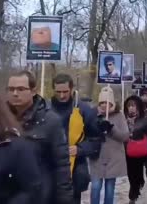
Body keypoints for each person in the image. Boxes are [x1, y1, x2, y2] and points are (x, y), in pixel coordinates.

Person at [6, 70, 73, 204]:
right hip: (7, 194)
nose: (15, 93)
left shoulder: (50, 121)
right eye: (11, 89)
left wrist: (64, 200)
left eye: (20, 89)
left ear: (33, 91)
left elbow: (61, 167)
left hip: (39, 196)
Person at [49, 73, 102, 204]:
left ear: (72, 89)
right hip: (49, 170)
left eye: (65, 92)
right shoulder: (45, 109)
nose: (61, 96)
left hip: (74, 172)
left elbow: (96, 140)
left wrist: (80, 149)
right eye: (58, 92)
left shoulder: (84, 110)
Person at [89, 88, 129, 204]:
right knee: (96, 187)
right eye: (102, 103)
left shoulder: (119, 116)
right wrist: (97, 129)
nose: (104, 105)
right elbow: (87, 133)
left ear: (111, 103)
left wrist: (111, 129)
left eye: (107, 103)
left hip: (113, 157)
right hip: (97, 157)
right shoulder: (93, 114)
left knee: (110, 188)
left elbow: (125, 136)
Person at [124, 95, 147, 204]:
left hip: (141, 151)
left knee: (137, 172)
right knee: (131, 175)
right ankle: (137, 185)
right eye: (129, 106)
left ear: (138, 107)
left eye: (133, 105)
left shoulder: (145, 121)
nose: (131, 108)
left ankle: (133, 196)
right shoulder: (123, 119)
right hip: (127, 151)